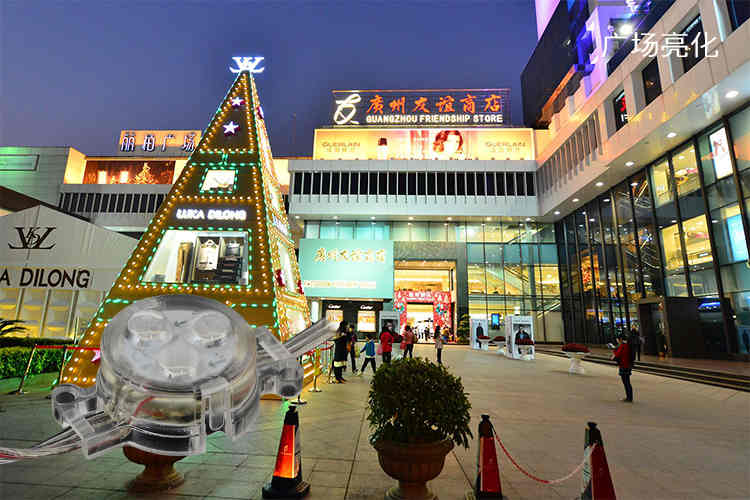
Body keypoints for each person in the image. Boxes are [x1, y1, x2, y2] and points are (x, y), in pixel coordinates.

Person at [611, 335, 634, 402]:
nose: (617, 341)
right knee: (627, 382)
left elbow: (618, 355)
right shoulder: (627, 345)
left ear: (620, 339)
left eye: (617, 339)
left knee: (626, 382)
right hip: (628, 365)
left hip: (624, 366)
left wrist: (614, 351)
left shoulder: (623, 346)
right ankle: (629, 397)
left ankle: (629, 398)